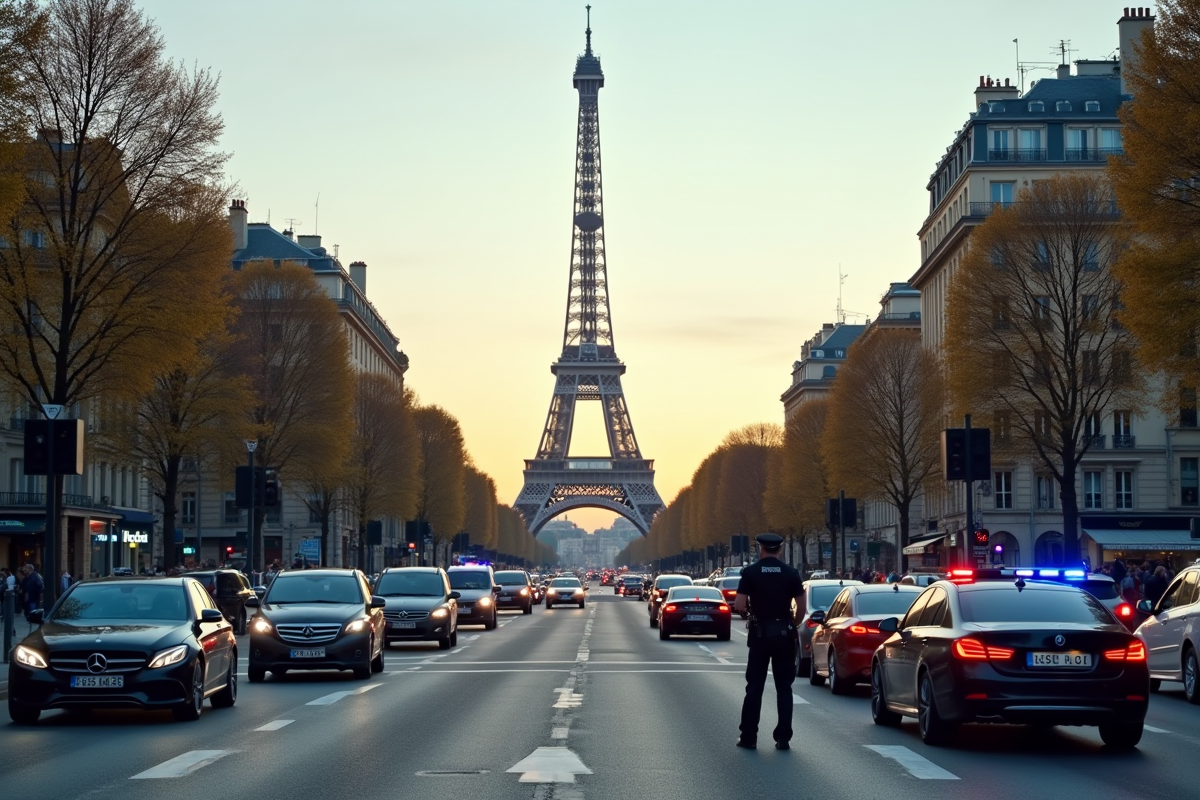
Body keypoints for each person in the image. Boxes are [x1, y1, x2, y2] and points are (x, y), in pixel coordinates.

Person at [733, 533, 804, 751]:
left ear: (760, 548)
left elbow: (739, 604)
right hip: (783, 634)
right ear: (780, 549)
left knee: (754, 687)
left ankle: (749, 737)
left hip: (760, 634)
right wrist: (792, 624)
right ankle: (783, 737)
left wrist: (751, 613)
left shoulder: (750, 572)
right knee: (784, 688)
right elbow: (801, 608)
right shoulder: (791, 573)